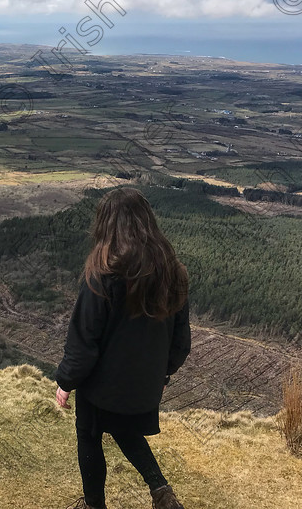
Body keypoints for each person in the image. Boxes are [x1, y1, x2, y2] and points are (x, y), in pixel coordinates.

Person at [53, 187, 191, 509]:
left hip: (103, 388)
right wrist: (162, 372)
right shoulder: (173, 273)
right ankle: (161, 492)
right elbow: (181, 343)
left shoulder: (102, 274)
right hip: (146, 386)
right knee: (121, 425)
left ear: (106, 225)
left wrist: (65, 381)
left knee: (89, 432)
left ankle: (93, 505)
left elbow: (84, 342)